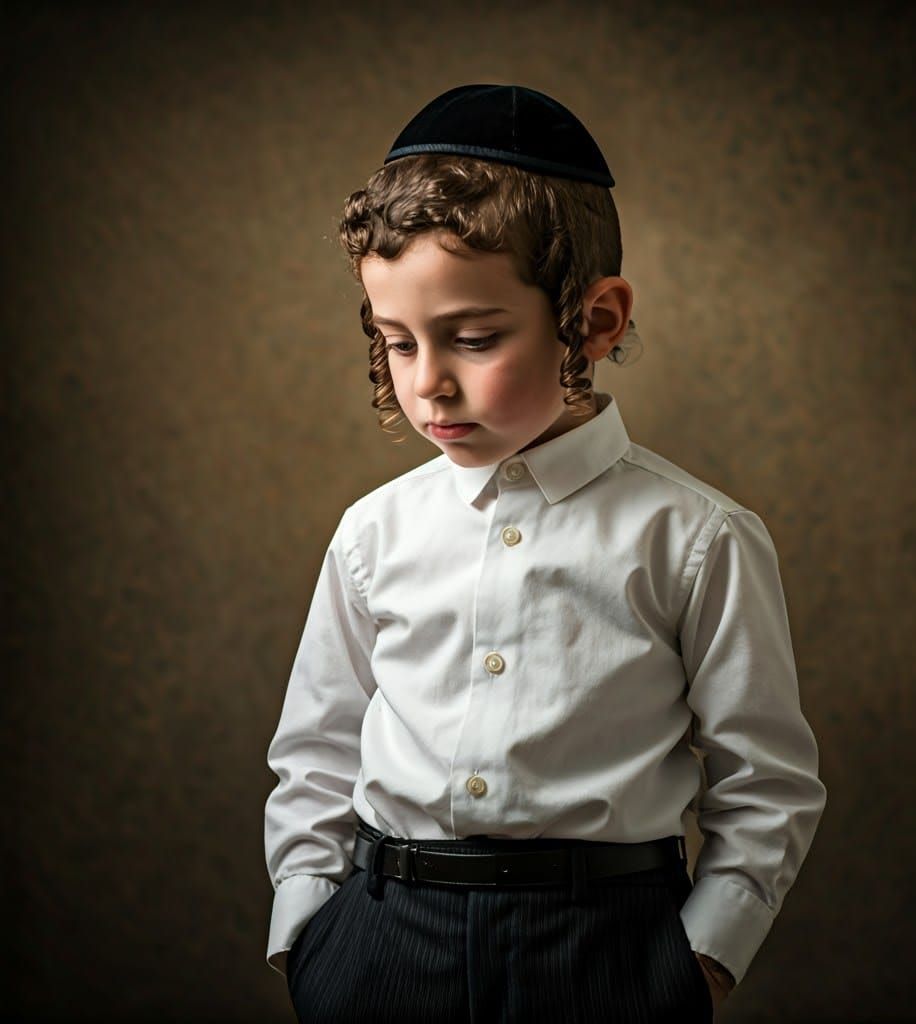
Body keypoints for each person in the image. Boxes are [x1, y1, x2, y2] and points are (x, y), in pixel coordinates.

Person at [264, 83, 827, 1022]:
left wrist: (701, 965)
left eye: (474, 339)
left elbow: (765, 781)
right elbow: (317, 750)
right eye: (397, 343)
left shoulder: (698, 538)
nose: (428, 384)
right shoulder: (372, 532)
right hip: (383, 943)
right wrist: (309, 936)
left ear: (596, 321)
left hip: (606, 951)